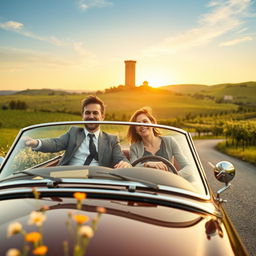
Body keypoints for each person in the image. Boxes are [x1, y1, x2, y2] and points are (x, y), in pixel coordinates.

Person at [25, 95, 131, 169]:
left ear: (102, 117)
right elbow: (55, 143)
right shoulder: (73, 132)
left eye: (95, 113)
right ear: (82, 116)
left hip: (97, 181)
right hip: (69, 179)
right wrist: (35, 142)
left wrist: (125, 164)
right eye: (87, 113)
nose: (91, 116)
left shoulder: (111, 140)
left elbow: (121, 159)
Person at [127, 107, 194, 182]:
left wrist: (175, 177)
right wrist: (147, 164)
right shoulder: (134, 147)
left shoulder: (170, 141)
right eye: (137, 124)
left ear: (152, 123)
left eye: (145, 121)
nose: (142, 125)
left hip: (168, 185)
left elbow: (189, 167)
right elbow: (132, 170)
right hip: (146, 185)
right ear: (135, 130)